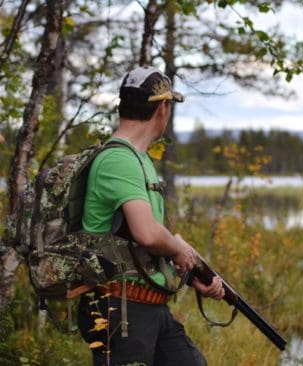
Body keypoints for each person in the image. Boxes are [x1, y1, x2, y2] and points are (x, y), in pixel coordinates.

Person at [77, 65, 224, 365]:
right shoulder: (118, 160)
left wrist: (190, 266)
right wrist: (180, 250)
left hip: (147, 306)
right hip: (120, 308)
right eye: (169, 106)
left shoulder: (138, 158)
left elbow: (145, 238)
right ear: (162, 108)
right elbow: (146, 233)